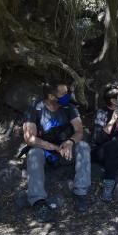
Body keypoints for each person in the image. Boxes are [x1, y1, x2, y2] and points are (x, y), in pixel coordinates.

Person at [22, 80, 91, 222]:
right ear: (51, 96)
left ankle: (80, 193)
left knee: (83, 146)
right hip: (47, 151)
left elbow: (79, 131)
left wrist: (70, 142)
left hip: (67, 149)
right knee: (33, 153)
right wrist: (53, 147)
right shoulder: (35, 109)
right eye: (64, 94)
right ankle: (38, 202)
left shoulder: (69, 108)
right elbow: (30, 139)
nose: (68, 96)